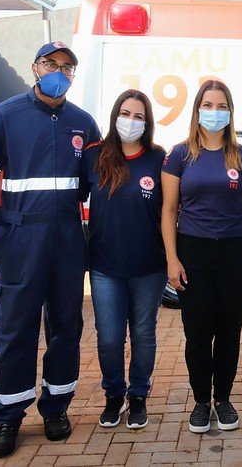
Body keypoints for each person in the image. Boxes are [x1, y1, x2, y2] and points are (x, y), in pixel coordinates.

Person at [0, 42, 100, 457]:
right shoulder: (5, 116)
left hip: (66, 244)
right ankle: (7, 418)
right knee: (16, 331)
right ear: (36, 67)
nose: (59, 72)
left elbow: (97, 184)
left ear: (73, 75)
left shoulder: (83, 124)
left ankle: (56, 408)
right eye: (51, 64)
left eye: (67, 67)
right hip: (20, 243)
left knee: (66, 329)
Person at [161, 79, 242, 434]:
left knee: (229, 331)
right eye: (208, 105)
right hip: (193, 252)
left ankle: (224, 398)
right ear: (197, 110)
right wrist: (172, 259)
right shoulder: (179, 155)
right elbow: (169, 209)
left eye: (222, 106)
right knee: (198, 332)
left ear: (231, 112)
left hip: (235, 252)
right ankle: (202, 401)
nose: (215, 112)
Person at [79, 89, 166, 430]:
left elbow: (172, 209)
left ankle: (139, 395)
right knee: (110, 337)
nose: (131, 121)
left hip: (149, 266)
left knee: (144, 334)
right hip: (105, 268)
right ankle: (114, 395)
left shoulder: (159, 159)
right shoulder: (95, 156)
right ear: (115, 116)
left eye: (139, 116)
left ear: (148, 123)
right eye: (126, 113)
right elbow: (73, 201)